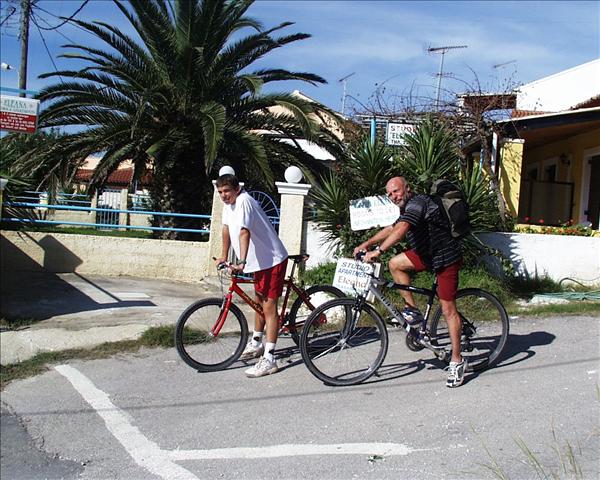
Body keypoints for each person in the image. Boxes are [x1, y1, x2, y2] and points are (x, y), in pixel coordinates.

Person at [353, 176, 467, 387]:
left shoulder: (418, 202)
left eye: (396, 191)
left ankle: (457, 361)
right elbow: (392, 228)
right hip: (427, 255)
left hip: (445, 256)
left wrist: (378, 251)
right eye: (389, 194)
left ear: (407, 188)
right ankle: (413, 311)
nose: (393, 196)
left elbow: (402, 228)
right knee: (395, 264)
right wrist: (366, 243)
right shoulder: (406, 208)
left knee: (448, 309)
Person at [215, 174, 289, 378]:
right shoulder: (229, 205)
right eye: (220, 192)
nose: (223, 195)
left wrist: (241, 262)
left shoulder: (245, 201)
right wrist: (223, 256)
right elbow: (226, 229)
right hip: (260, 262)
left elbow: (244, 232)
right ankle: (256, 342)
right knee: (258, 302)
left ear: (236, 189)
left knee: (268, 307)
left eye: (227, 191)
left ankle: (270, 359)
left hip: (272, 260)